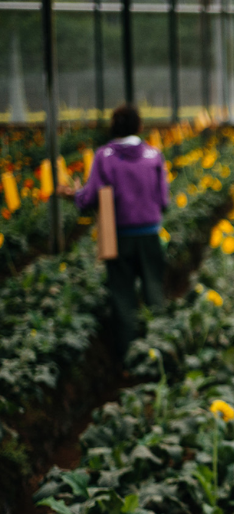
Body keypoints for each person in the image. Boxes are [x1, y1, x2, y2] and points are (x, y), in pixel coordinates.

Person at [58, 105, 169, 361]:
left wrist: (73, 195)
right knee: (154, 288)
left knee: (122, 295)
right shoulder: (153, 155)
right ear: (139, 127)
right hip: (150, 234)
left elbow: (90, 196)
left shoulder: (104, 156)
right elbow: (163, 199)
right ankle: (161, 348)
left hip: (118, 236)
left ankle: (128, 356)